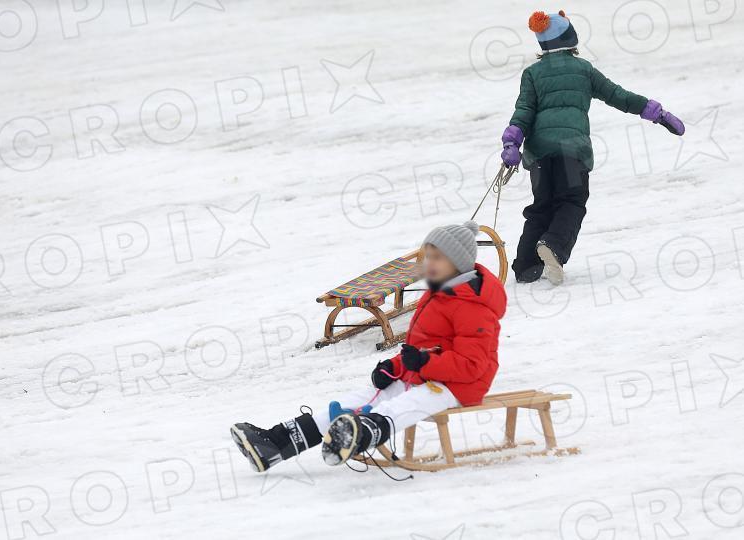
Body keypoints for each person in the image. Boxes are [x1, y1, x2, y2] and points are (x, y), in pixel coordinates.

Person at [230, 221, 507, 472]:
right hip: (426, 374)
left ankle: (359, 435)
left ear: (458, 262)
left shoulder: (473, 306)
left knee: (407, 403)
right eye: (428, 256)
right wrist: (394, 366)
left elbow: (473, 366)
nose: (429, 263)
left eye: (437, 257)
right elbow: (424, 349)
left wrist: (424, 364)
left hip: (458, 386)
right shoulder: (440, 294)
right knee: (361, 398)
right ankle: (276, 443)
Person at [501, 10, 685, 285]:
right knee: (571, 201)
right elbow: (618, 96)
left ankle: (527, 265)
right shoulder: (583, 70)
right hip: (571, 152)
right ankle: (553, 244)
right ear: (570, 37)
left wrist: (511, 142)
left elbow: (523, 110)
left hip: (539, 154)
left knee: (541, 207)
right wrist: (655, 112)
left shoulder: (532, 73)